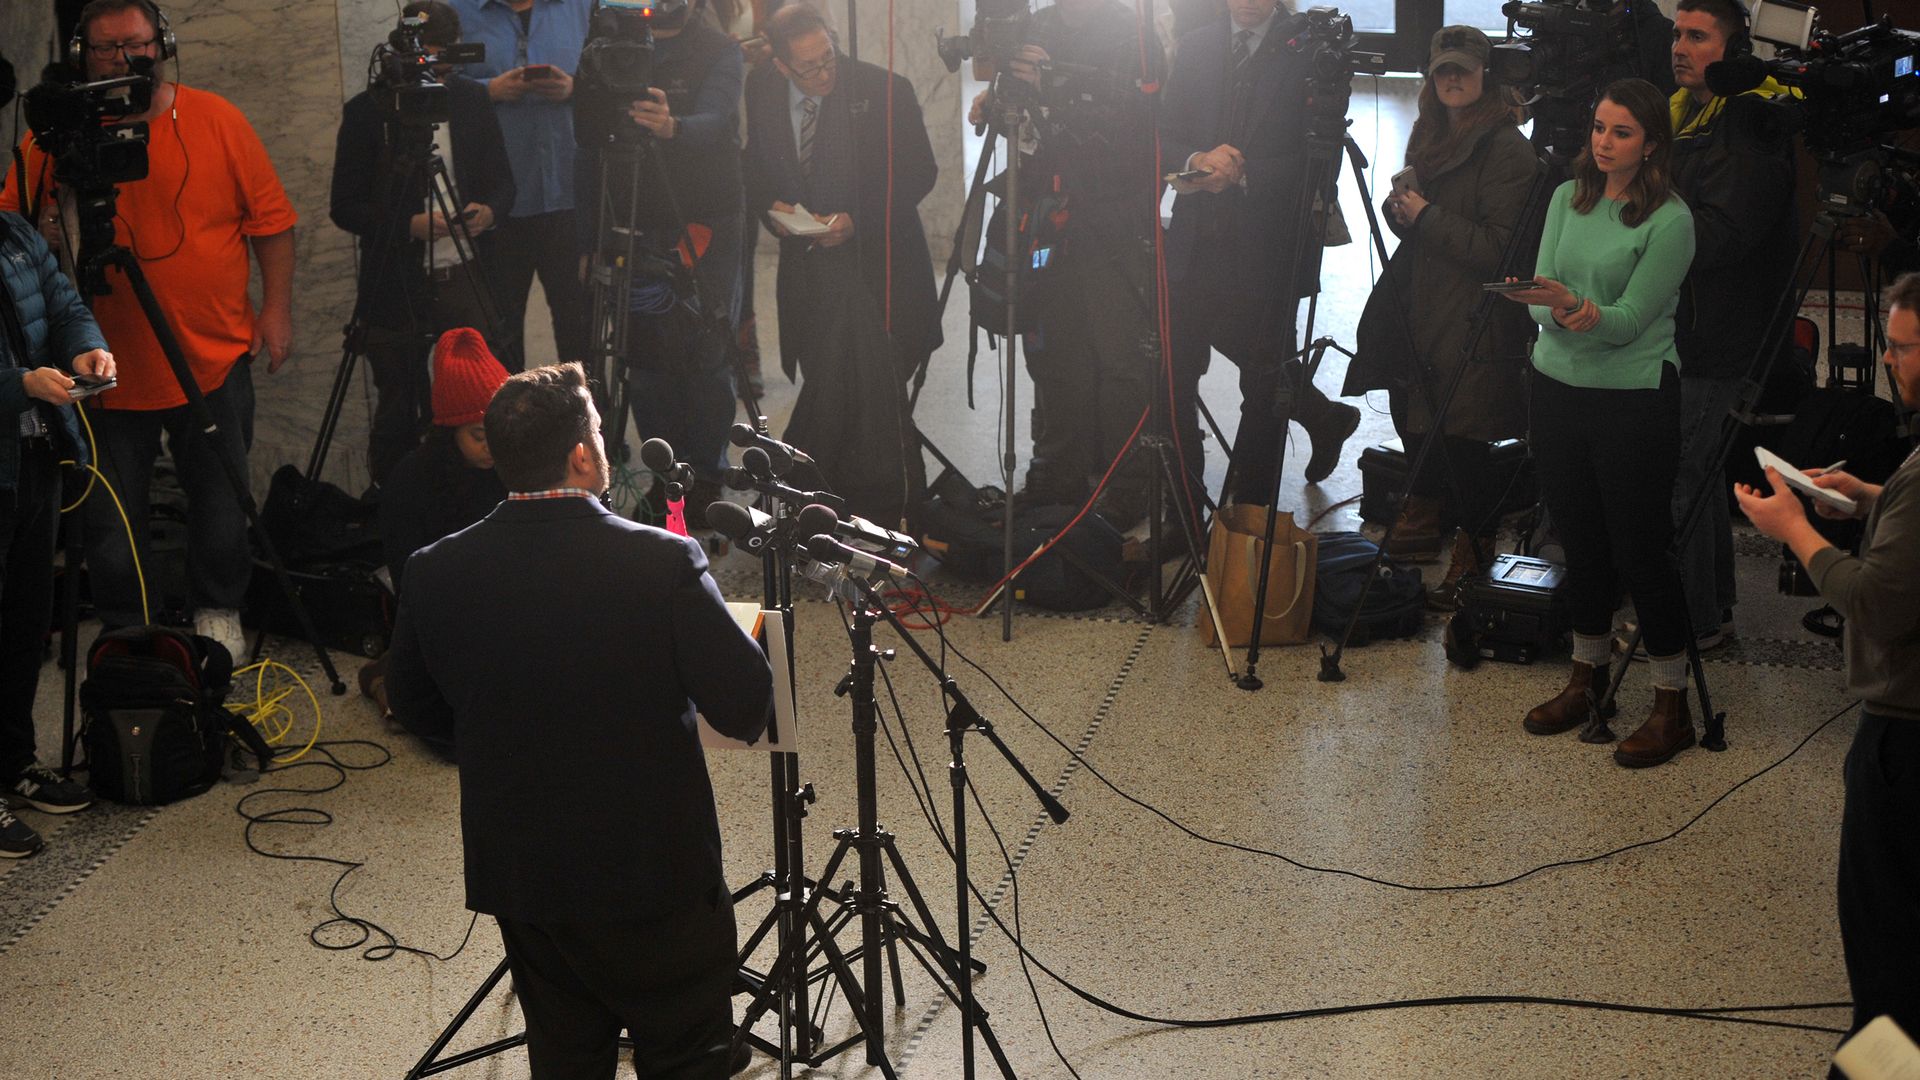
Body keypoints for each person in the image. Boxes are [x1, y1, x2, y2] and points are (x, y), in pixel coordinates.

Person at [385, 361, 772, 1077]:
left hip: (526, 875)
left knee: (565, 1057)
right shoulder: (662, 561)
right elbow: (746, 705)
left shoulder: (434, 568)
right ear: (583, 456)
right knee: (687, 1056)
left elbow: (414, 706)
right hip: (655, 872)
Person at [0, 0, 298, 661]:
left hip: (210, 357)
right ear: (81, 55)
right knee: (110, 514)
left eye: (134, 44)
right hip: (100, 369)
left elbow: (272, 223)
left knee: (221, 499)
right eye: (105, 48)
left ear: (161, 43)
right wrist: (45, 231)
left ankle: (218, 609)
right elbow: (7, 235)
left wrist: (275, 310)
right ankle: (128, 630)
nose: (122, 60)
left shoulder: (216, 119)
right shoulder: (53, 138)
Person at [1735, 272, 1920, 1064]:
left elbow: (1875, 602)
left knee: (1888, 943)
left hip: (1905, 737)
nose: (1889, 361)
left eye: (1904, 347)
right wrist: (1874, 499)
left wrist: (1795, 529)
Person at [1497, 78, 1696, 768]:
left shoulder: (1671, 220)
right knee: (1579, 542)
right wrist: (1558, 309)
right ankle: (1587, 680)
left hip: (1633, 396)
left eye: (1622, 132)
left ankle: (1671, 703)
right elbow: (1535, 296)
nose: (1604, 143)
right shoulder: (1566, 197)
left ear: (1652, 145)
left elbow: (1631, 321)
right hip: (1557, 388)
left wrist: (1578, 311)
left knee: (1640, 551)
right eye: (1599, 128)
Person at [1346, 25, 1537, 597]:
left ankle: (1474, 551)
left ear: (1485, 75)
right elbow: (1423, 226)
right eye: (1443, 70)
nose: (1453, 79)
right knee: (1410, 404)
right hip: (1422, 297)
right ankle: (1424, 514)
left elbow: (1501, 250)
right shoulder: (1432, 131)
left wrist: (1425, 216)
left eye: (1464, 69)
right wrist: (1401, 211)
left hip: (1473, 312)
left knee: (1464, 434)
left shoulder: (1507, 149)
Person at [966, 0, 1166, 528]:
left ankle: (1128, 485)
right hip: (1044, 218)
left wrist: (1050, 91)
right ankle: (1057, 474)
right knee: (1052, 351)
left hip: (1111, 220)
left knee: (1119, 358)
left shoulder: (1134, 33)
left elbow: (1137, 130)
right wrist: (999, 102)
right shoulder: (1037, 24)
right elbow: (1024, 127)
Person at [1160, 0, 1363, 509]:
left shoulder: (1313, 52)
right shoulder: (1196, 46)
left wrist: (1245, 174)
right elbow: (1164, 133)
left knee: (1265, 385)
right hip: (1194, 244)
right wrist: (1195, 159)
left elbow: (1323, 162)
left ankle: (1248, 517)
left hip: (1269, 248)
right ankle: (1185, 510)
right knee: (1174, 379)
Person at [743, 2, 938, 525]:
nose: (823, 73)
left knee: (867, 392)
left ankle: (865, 509)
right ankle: (830, 507)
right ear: (781, 64)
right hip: (807, 273)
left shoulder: (883, 89)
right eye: (808, 67)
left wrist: (857, 220)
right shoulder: (762, 87)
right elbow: (755, 165)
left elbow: (920, 173)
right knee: (826, 378)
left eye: (827, 57)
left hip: (879, 270)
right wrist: (771, 208)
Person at [1650, 0, 1798, 657]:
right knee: (1697, 470)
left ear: (1735, 50)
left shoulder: (1747, 125)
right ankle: (1712, 612)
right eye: (1676, 33)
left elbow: (1722, 236)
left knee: (1682, 470)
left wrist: (1641, 226)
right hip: (1693, 328)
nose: (1679, 47)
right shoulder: (1687, 114)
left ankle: (1691, 621)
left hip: (1723, 335)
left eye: (1697, 36)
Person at [574, 0, 746, 524]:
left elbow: (717, 120)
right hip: (630, 217)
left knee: (708, 353)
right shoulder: (601, 50)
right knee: (645, 361)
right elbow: (586, 144)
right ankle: (668, 476)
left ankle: (708, 476)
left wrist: (673, 127)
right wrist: (589, 238)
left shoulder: (719, 49)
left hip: (706, 219)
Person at [331, 0, 517, 485]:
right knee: (399, 403)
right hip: (395, 281)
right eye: (428, 56)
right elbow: (344, 206)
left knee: (484, 400)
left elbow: (503, 182)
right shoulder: (369, 112)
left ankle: (483, 496)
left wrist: (489, 212)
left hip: (465, 273)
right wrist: (408, 224)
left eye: (445, 58)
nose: (437, 68)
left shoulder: (471, 100)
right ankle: (396, 499)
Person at [0, 211, 114, 858]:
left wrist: (83, 348)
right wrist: (20, 383)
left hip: (34, 464)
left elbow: (65, 306)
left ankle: (15, 760)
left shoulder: (15, 234)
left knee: (25, 624)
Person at [356, 328, 509, 752]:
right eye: (478, 435)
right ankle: (385, 679)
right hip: (444, 623)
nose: (492, 447)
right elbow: (413, 588)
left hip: (504, 611)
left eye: (497, 432)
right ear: (450, 431)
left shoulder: (511, 466)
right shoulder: (411, 482)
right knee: (461, 739)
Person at [450, 0, 594, 373]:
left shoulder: (580, 6)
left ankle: (586, 411)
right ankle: (509, 412)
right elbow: (437, 88)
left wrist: (575, 88)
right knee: (501, 338)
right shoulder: (457, 10)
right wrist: (489, 90)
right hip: (497, 205)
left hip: (569, 196)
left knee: (581, 331)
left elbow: (614, 80)